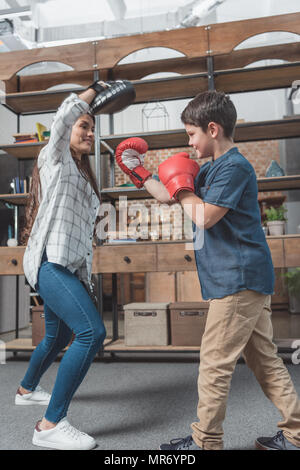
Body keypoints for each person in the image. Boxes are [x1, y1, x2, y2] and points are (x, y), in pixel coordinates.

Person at [115, 90, 300, 451]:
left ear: (212, 129)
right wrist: (140, 171)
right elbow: (170, 195)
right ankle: (296, 433)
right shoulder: (211, 169)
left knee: (214, 363)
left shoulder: (234, 167)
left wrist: (181, 184)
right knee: (264, 361)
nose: (189, 141)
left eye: (191, 134)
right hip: (241, 280)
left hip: (238, 280)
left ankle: (205, 443)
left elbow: (204, 216)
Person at [16, 82, 111, 450]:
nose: (89, 132)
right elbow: (60, 120)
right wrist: (92, 91)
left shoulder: (84, 176)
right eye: (83, 126)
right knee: (92, 333)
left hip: (68, 269)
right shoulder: (54, 158)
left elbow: (86, 234)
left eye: (92, 127)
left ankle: (26, 389)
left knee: (57, 337)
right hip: (48, 264)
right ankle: (49, 425)